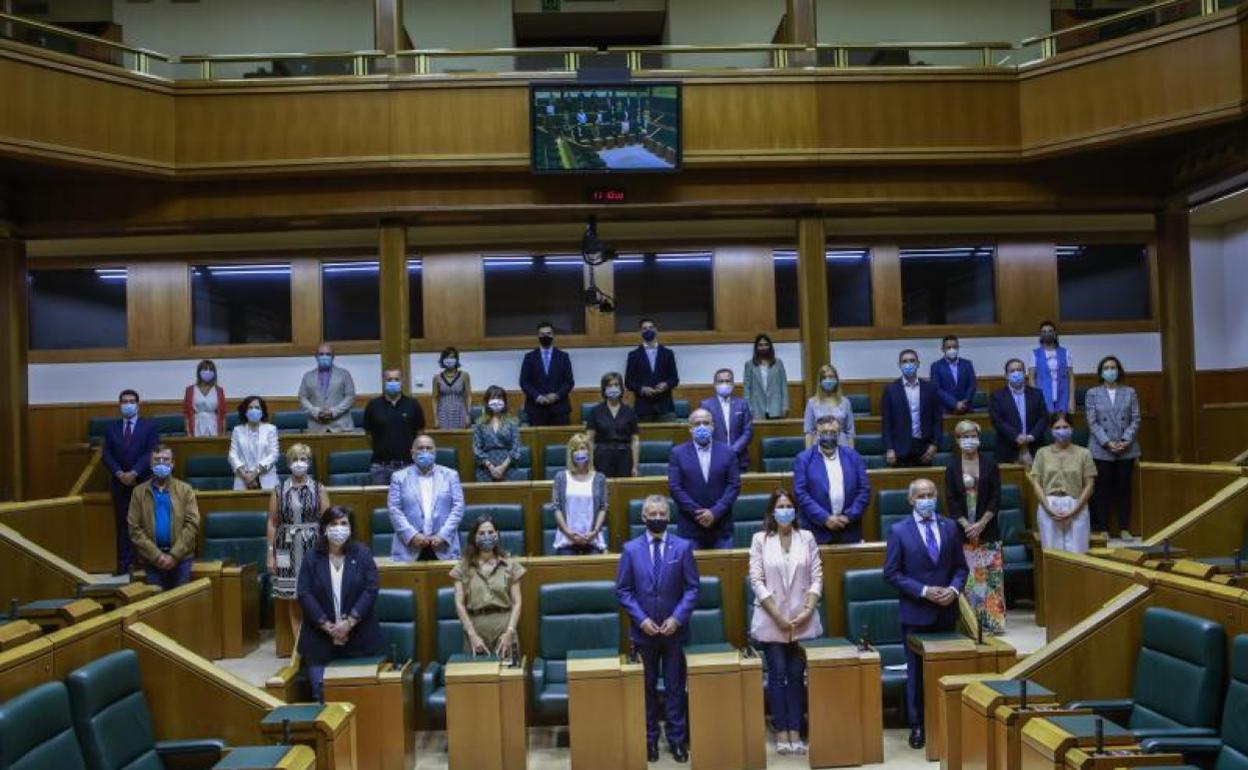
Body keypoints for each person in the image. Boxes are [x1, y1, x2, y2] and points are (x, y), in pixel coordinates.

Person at [882, 478, 968, 750]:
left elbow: (960, 568)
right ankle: (918, 725)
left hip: (946, 613)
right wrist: (924, 590)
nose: (927, 499)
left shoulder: (951, 526)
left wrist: (954, 590)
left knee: (948, 670)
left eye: (931, 494)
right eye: (921, 495)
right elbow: (891, 573)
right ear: (911, 500)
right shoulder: (899, 531)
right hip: (916, 614)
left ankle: (948, 723)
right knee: (916, 675)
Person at [615, 495, 699, 764]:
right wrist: (641, 620)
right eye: (653, 513)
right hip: (644, 632)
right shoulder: (630, 549)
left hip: (675, 632)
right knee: (646, 689)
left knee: (675, 688)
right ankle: (649, 740)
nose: (658, 518)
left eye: (663, 513)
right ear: (643, 517)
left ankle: (677, 740)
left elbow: (692, 588)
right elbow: (623, 591)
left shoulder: (683, 547)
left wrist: (677, 618)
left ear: (669, 516)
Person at [748, 488, 822, 756]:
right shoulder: (760, 539)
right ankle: (781, 731)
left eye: (789, 505)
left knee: (796, 675)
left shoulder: (807, 537)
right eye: (780, 505)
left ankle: (796, 730)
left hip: (802, 617)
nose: (785, 510)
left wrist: (808, 608)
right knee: (777, 676)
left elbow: (817, 576)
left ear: (795, 511)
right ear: (771, 511)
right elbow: (756, 580)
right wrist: (778, 616)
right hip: (772, 619)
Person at [296, 506, 381, 702]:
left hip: (359, 638)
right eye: (334, 524)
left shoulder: (362, 554)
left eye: (344, 523)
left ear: (351, 528)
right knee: (321, 694)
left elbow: (371, 589)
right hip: (319, 639)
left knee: (359, 696)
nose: (339, 528)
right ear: (324, 528)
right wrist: (327, 626)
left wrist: (349, 623)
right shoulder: (311, 557)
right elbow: (304, 593)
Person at [944, 420, 1005, 635]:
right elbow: (951, 501)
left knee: (990, 579)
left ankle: (992, 623)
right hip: (963, 532)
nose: (969, 440)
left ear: (978, 438)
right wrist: (967, 526)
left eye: (972, 435)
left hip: (987, 528)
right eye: (964, 436)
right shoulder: (952, 467)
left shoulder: (990, 464)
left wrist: (980, 524)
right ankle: (970, 625)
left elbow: (996, 498)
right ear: (958, 440)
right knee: (970, 581)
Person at [267, 443, 331, 646]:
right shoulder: (278, 491)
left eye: (303, 459)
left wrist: (330, 552)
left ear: (309, 463)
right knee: (293, 599)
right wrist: (271, 553)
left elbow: (328, 521)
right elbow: (272, 523)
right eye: (295, 459)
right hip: (286, 546)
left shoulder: (319, 488)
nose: (299, 463)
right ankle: (299, 648)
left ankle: (316, 643)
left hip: (314, 546)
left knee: (314, 596)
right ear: (288, 463)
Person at [102, 389, 159, 575]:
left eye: (131, 401)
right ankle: (124, 565)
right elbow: (107, 454)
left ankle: (146, 563)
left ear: (138, 404)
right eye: (124, 401)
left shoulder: (149, 426)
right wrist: (120, 473)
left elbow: (151, 451)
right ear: (119, 405)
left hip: (142, 481)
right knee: (123, 524)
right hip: (119, 483)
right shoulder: (111, 428)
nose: (128, 404)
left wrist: (134, 472)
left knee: (145, 523)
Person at [1084, 356, 1141, 540]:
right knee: (1102, 490)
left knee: (1124, 488)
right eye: (1107, 367)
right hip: (1101, 449)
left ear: (1119, 370)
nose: (1110, 370)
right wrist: (1108, 443)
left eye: (1113, 367)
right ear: (1101, 372)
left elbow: (1136, 419)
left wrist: (1125, 440)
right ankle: (1104, 529)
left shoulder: (1130, 392)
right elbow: (1092, 422)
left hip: (1126, 448)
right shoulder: (1092, 393)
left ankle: (1124, 527)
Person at [667, 408, 742, 550]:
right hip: (690, 528)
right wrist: (699, 513)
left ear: (713, 426)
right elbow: (675, 487)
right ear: (690, 428)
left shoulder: (728, 452)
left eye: (706, 423)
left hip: (721, 528)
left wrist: (715, 512)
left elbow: (734, 485)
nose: (702, 427)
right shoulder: (677, 453)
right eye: (697, 424)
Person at [127, 444, 199, 590]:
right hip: (152, 560)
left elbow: (192, 524)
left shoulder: (185, 490)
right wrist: (157, 556)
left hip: (181, 559)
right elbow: (134, 528)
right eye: (156, 460)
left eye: (165, 460)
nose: (161, 463)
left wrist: (174, 555)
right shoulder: (139, 492)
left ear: (172, 464)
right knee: (156, 607)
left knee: (182, 605)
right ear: (150, 464)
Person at [451, 516, 525, 657]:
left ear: (497, 534)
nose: (487, 536)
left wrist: (510, 631)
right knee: (478, 676)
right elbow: (459, 604)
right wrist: (472, 635)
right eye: (482, 533)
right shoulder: (463, 567)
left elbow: (517, 602)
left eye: (491, 532)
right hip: (475, 629)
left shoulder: (510, 565)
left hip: (505, 628)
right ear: (474, 537)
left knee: (509, 676)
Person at [793, 415, 871, 544]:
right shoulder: (804, 459)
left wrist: (848, 516)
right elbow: (800, 493)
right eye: (824, 432)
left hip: (849, 529)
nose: (828, 436)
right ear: (816, 434)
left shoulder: (853, 456)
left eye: (833, 432)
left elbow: (864, 490)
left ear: (839, 434)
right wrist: (825, 518)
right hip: (816, 531)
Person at [388, 434, 465, 562]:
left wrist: (442, 535)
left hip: (443, 546)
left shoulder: (451, 475)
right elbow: (394, 510)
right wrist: (412, 536)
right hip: (409, 547)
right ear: (412, 453)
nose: (425, 451)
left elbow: (458, 507)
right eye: (421, 448)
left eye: (429, 448)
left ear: (435, 452)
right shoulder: (399, 477)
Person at [1030, 412, 1096, 554]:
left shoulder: (1084, 453)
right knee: (1052, 554)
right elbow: (1036, 483)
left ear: (1072, 428)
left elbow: (1089, 485)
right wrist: (1048, 508)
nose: (1061, 430)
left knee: (1078, 553)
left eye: (1065, 426)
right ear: (1051, 430)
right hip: (1049, 506)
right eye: (1057, 427)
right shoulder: (1042, 453)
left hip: (1076, 504)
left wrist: (1074, 511)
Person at [362, 368, 425, 486]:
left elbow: (420, 433)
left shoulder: (413, 404)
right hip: (380, 466)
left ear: (402, 381)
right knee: (379, 503)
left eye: (396, 379)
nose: (393, 382)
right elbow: (369, 435)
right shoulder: (373, 405)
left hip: (407, 465)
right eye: (389, 379)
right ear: (383, 382)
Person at [881, 350, 941, 467]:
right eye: (905, 361)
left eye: (912, 361)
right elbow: (887, 423)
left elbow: (937, 420)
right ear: (899, 365)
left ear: (918, 364)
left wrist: (934, 445)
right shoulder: (891, 390)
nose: (908, 364)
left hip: (924, 449)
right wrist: (889, 448)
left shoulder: (930, 388)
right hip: (899, 449)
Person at [550, 434, 607, 555]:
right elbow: (556, 507)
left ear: (589, 452)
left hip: (592, 538)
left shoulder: (599, 478)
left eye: (583, 448)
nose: (580, 452)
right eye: (575, 449)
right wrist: (568, 532)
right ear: (571, 453)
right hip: (566, 539)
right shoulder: (560, 477)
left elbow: (603, 507)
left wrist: (595, 532)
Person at [989, 359, 1048, 467]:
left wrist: (1031, 436)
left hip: (1034, 447)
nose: (1016, 373)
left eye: (1019, 370)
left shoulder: (1037, 394)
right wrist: (1016, 436)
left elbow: (1043, 418)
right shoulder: (997, 396)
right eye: (1012, 371)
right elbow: (998, 421)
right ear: (1006, 376)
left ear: (1024, 373)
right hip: (1008, 449)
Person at [519, 321, 575, 426]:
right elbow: (524, 382)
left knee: (560, 441)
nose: (546, 336)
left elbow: (569, 382)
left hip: (559, 409)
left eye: (548, 333)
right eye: (542, 334)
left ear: (553, 335)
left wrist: (557, 395)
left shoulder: (563, 356)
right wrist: (537, 396)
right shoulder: (529, 357)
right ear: (538, 336)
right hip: (536, 409)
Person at [625, 318, 680, 422]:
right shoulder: (633, 355)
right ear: (640, 332)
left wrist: (666, 385)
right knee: (644, 438)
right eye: (644, 328)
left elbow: (675, 379)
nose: (648, 330)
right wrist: (642, 389)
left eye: (651, 328)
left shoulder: (668, 353)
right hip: (643, 408)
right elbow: (628, 382)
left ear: (656, 330)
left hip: (665, 407)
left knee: (668, 437)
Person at [585, 372, 640, 478]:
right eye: (609, 385)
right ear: (604, 389)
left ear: (621, 388)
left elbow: (635, 440)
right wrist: (590, 465)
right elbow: (589, 440)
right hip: (602, 457)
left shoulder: (629, 411)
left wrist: (635, 466)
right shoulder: (595, 411)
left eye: (616, 385)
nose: (613, 388)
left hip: (624, 457)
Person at [699, 368, 754, 472]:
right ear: (715, 384)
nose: (725, 384)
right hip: (714, 459)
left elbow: (748, 431)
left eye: (728, 381)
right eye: (721, 381)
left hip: (738, 459)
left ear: (733, 384)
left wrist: (734, 450)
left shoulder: (742, 404)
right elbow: (704, 431)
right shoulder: (706, 405)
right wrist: (721, 452)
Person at [298, 344, 357, 433]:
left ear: (333, 357)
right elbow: (302, 397)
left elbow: (350, 397)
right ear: (316, 357)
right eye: (321, 354)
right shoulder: (308, 376)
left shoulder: (344, 374)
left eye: (328, 354)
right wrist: (316, 412)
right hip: (316, 427)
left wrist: (333, 412)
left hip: (341, 427)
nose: (324, 357)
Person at [472, 386, 523, 483]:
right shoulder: (479, 423)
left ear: (504, 401)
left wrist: (503, 467)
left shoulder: (512, 422)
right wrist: (491, 467)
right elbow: (476, 449)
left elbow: (516, 447)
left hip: (508, 468)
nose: (496, 401)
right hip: (485, 470)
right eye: (492, 398)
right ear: (487, 402)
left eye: (499, 398)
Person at [228, 396, 279, 491]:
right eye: (250, 408)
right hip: (242, 479)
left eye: (257, 408)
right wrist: (245, 476)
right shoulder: (237, 430)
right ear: (245, 411)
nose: (253, 410)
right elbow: (232, 455)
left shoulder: (271, 429)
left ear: (262, 411)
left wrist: (254, 474)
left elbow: (274, 455)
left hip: (266, 478)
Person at [803, 364, 855, 449]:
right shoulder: (812, 403)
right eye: (824, 377)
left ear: (836, 380)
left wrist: (851, 455)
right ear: (820, 382)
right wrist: (808, 456)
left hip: (842, 446)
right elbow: (809, 433)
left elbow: (850, 432)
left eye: (831, 377)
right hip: (819, 447)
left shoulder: (845, 402)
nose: (828, 380)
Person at [1029, 321, 1076, 414]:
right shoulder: (1035, 354)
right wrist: (1035, 400)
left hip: (1063, 395)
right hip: (1043, 396)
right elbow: (1031, 378)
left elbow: (1070, 377)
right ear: (1040, 335)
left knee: (1062, 424)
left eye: (1050, 331)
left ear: (1055, 333)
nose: (1047, 334)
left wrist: (1071, 399)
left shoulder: (1065, 352)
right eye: (1044, 332)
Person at [742, 333, 789, 420]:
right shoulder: (749, 365)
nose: (763, 347)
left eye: (766, 345)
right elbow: (746, 388)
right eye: (760, 345)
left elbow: (784, 386)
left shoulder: (778, 363)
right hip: (757, 408)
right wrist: (748, 407)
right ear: (756, 347)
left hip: (776, 407)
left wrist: (785, 406)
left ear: (770, 346)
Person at [930, 336, 977, 415]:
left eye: (955, 347)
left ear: (958, 347)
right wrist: (955, 403)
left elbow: (972, 385)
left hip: (966, 409)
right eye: (948, 347)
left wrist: (965, 401)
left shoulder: (967, 364)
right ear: (942, 349)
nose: (952, 350)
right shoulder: (936, 366)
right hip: (945, 410)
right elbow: (937, 389)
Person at [183, 360, 225, 437]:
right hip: (196, 425)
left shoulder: (219, 390)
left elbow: (222, 414)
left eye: (210, 370)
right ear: (199, 372)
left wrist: (222, 434)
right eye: (205, 370)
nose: (208, 372)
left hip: (214, 425)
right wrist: (188, 432)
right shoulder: (190, 390)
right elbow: (186, 413)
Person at [433, 347, 472, 430]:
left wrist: (468, 415)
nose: (449, 360)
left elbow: (468, 396)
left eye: (452, 357)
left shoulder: (464, 376)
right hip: (443, 412)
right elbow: (434, 399)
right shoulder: (437, 378)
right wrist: (435, 418)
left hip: (460, 411)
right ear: (442, 360)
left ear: (457, 359)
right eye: (446, 357)